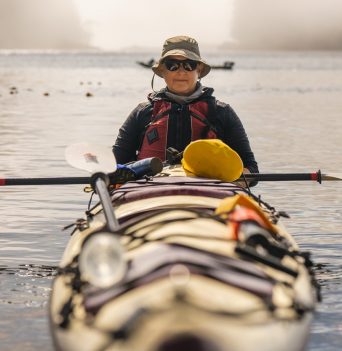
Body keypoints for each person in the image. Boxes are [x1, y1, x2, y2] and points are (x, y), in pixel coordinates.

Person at [113, 35, 258, 177]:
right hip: (150, 190)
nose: (181, 72)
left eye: (189, 65)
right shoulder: (142, 112)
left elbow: (251, 168)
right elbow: (116, 163)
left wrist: (234, 181)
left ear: (199, 70)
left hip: (208, 193)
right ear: (162, 71)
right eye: (172, 65)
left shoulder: (222, 112)